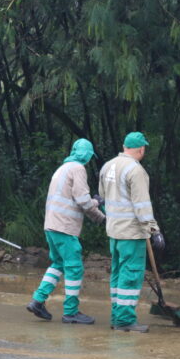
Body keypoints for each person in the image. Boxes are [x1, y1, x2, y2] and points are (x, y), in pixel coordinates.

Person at [26, 138, 106, 324]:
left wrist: (97, 214)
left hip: (51, 225)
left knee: (58, 263)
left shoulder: (62, 168)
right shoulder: (78, 169)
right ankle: (71, 312)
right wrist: (98, 205)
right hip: (65, 226)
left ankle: (38, 300)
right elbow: (84, 201)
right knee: (74, 267)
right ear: (87, 155)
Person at [98, 131, 165, 333]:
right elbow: (142, 204)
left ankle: (117, 315)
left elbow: (102, 198)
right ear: (141, 149)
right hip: (131, 233)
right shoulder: (135, 170)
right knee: (131, 274)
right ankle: (125, 320)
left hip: (114, 231)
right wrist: (154, 231)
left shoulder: (107, 166)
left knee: (118, 274)